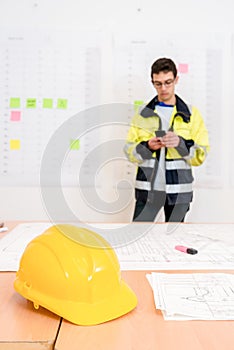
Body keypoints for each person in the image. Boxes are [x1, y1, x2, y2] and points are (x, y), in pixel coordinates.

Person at [124, 57, 209, 222]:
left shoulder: (191, 114)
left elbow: (201, 154)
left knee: (174, 241)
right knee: (139, 239)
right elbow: (129, 151)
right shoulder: (142, 115)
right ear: (152, 82)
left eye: (168, 82)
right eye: (158, 84)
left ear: (176, 80)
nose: (163, 88)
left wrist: (180, 144)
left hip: (178, 193)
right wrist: (147, 146)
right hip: (147, 191)